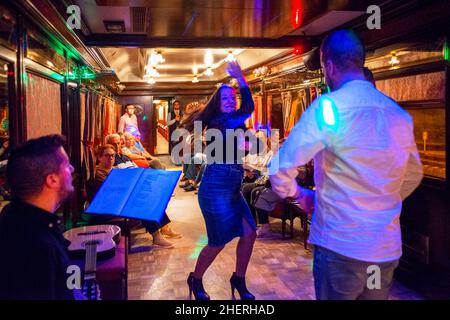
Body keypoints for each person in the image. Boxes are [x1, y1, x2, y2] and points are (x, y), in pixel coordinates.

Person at [269, 29, 423, 300]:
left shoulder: (328, 108)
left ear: (328, 65)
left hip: (340, 246)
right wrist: (379, 201)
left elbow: (280, 168)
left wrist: (299, 194)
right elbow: (412, 175)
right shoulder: (397, 113)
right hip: (385, 248)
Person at [183, 61, 257, 300]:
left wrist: (244, 150)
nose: (231, 100)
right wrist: (241, 79)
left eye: (232, 97)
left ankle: (238, 279)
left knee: (249, 234)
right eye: (225, 97)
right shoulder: (218, 121)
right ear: (217, 102)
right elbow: (249, 106)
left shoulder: (235, 122)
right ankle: (195, 279)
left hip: (233, 187)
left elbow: (241, 147)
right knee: (217, 242)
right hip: (215, 189)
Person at [0, 134, 81, 299]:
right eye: (66, 165)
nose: (72, 169)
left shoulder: (18, 215)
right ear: (52, 180)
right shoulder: (35, 247)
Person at [104, 135, 181, 242]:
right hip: (124, 195)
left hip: (134, 186)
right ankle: (157, 235)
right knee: (144, 201)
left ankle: (164, 228)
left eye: (118, 143)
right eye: (114, 144)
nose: (117, 146)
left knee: (154, 195)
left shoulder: (124, 157)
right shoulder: (111, 163)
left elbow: (136, 169)